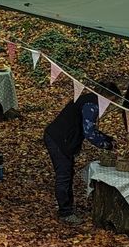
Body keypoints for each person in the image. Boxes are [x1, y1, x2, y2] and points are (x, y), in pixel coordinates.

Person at [43, 82, 120, 224]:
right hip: (59, 139)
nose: (110, 106)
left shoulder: (89, 99)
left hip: (64, 139)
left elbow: (91, 129)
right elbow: (89, 133)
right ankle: (65, 212)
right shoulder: (91, 104)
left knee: (68, 173)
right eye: (112, 102)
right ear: (106, 97)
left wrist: (107, 138)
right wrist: (106, 144)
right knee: (64, 175)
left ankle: (67, 207)